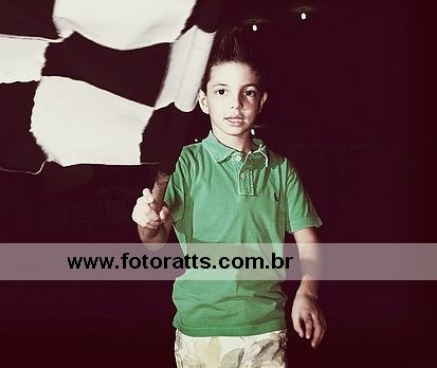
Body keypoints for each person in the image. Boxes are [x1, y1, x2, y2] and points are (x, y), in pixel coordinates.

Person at [132, 27, 326, 367]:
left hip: (265, 326)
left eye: (247, 92)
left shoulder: (281, 169)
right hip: (201, 326)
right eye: (221, 91)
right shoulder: (183, 163)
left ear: (261, 101)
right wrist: (148, 224)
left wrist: (308, 292)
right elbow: (155, 242)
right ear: (203, 100)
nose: (235, 103)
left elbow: (308, 241)